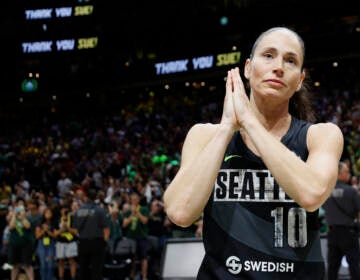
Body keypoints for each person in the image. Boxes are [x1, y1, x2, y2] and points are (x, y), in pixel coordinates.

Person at [163, 26, 344, 279]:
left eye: (290, 60)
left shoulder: (321, 135)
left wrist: (249, 121)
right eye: (268, 55)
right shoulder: (204, 135)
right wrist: (227, 128)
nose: (279, 66)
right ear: (247, 68)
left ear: (299, 81)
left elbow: (311, 194)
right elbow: (180, 213)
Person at [322, 161, 360, 280]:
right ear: (338, 173)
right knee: (354, 265)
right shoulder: (351, 191)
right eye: (347, 172)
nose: (349, 174)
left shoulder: (326, 191)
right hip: (349, 232)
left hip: (332, 233)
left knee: (332, 267)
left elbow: (323, 208)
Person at [73, 186, 110, 280]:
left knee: (83, 270)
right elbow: (106, 229)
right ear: (95, 198)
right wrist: (104, 242)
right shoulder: (100, 210)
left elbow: (75, 230)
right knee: (96, 270)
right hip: (97, 243)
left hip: (83, 243)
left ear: (85, 197)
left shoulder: (78, 211)